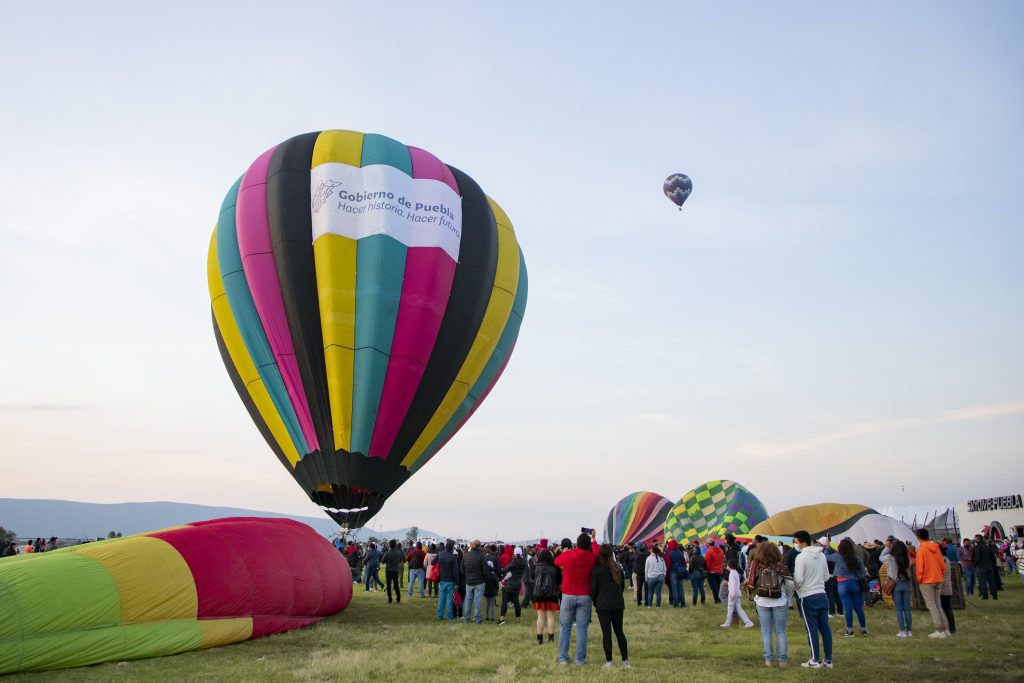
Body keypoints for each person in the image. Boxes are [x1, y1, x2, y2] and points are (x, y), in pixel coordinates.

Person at [745, 539, 791, 668]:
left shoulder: (756, 564)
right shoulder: (780, 565)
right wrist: (787, 595)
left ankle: (768, 660)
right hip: (779, 600)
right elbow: (790, 583)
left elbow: (749, 582)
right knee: (780, 631)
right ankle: (782, 660)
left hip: (762, 601)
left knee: (766, 631)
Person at [554, 533, 598, 665]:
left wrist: (563, 551)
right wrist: (594, 539)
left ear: (577, 543)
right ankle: (579, 659)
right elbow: (597, 554)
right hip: (585, 595)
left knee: (565, 627)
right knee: (582, 629)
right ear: (588, 544)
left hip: (568, 595)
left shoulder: (568, 555)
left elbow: (556, 561)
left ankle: (563, 658)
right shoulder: (591, 557)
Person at [792, 530, 832, 669]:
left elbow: (798, 579)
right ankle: (828, 660)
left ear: (802, 544)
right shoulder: (821, 555)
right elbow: (827, 576)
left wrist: (797, 588)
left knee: (811, 629)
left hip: (807, 596)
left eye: (795, 542)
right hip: (822, 593)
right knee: (825, 628)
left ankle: (815, 659)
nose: (794, 545)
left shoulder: (801, 557)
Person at [591, 544, 630, 669]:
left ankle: (609, 662)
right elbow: (622, 586)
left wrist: (596, 602)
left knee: (606, 634)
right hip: (617, 603)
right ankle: (625, 661)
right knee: (620, 632)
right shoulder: (618, 568)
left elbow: (593, 590)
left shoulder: (597, 570)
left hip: (603, 605)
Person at [915, 528, 950, 638]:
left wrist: (920, 579)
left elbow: (920, 566)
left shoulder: (921, 550)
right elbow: (942, 565)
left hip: (927, 581)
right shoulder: (937, 548)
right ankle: (945, 628)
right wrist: (940, 575)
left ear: (918, 537)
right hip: (938, 579)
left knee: (931, 605)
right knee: (937, 604)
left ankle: (940, 630)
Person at [832, 538, 868, 637]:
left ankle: (850, 630)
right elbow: (862, 573)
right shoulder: (856, 558)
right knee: (859, 609)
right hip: (855, 584)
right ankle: (863, 629)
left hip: (842, 585)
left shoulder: (838, 556)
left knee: (847, 609)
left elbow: (826, 557)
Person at [881, 539, 913, 637]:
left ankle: (902, 631)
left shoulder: (890, 557)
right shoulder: (907, 558)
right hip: (907, 584)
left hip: (896, 584)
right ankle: (909, 631)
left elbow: (881, 557)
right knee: (907, 609)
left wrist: (887, 546)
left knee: (899, 609)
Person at [532, 549, 560, 644]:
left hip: (538, 594)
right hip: (551, 594)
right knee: (550, 617)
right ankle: (551, 638)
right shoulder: (555, 567)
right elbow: (559, 581)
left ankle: (539, 638)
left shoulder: (535, 567)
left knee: (540, 616)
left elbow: (533, 578)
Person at [721, 558, 754, 628]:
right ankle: (748, 622)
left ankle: (727, 623)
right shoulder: (735, 572)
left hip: (733, 594)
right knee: (739, 608)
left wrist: (732, 594)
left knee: (730, 609)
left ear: (730, 566)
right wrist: (728, 583)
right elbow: (735, 583)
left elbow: (732, 585)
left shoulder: (731, 574)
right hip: (737, 593)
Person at [498, 547, 527, 624]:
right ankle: (518, 620)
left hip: (509, 584)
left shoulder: (513, 562)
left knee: (504, 602)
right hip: (518, 584)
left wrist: (501, 570)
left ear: (514, 553)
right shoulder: (524, 562)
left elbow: (505, 570)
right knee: (516, 602)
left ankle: (501, 619)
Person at [462, 540, 486, 624]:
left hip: (469, 581)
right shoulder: (481, 556)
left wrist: (466, 577)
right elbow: (485, 570)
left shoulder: (465, 556)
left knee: (468, 600)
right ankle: (477, 619)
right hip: (479, 581)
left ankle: (466, 618)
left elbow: (462, 570)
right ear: (479, 546)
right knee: (477, 601)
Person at [436, 540, 460, 621]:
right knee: (449, 599)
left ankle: (439, 616)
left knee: (442, 598)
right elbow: (456, 571)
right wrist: (457, 582)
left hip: (442, 579)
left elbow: (433, 562)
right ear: (452, 548)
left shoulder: (440, 554)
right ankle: (449, 616)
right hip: (451, 580)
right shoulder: (453, 557)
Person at [382, 540, 404, 604]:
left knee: (389, 585)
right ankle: (398, 599)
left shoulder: (387, 553)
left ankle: (390, 599)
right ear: (395, 545)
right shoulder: (399, 552)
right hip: (396, 570)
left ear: (389, 545)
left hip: (388, 570)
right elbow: (400, 560)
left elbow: (383, 561)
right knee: (396, 585)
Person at [667, 540, 688, 608]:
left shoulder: (670, 553)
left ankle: (676, 604)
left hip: (673, 572)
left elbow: (668, 564)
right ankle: (683, 603)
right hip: (680, 572)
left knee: (674, 589)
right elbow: (684, 564)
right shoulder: (681, 553)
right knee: (680, 588)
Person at [939, 553, 956, 635]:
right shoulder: (946, 559)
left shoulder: (941, 559)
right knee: (947, 608)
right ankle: (951, 627)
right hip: (947, 585)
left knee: (945, 608)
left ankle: (949, 627)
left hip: (942, 586)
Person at [632, 542, 649, 606]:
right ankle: (646, 602)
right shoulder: (647, 557)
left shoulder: (637, 557)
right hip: (645, 574)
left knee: (639, 588)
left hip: (639, 574)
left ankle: (639, 602)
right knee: (646, 589)